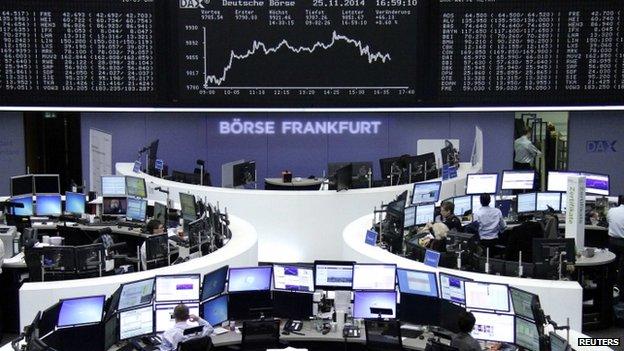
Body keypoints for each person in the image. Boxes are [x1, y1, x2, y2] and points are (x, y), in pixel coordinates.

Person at [607, 195, 624, 302]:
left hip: (612, 242)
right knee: (622, 267)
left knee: (613, 265)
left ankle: (611, 286)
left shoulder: (612, 210)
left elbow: (608, 221)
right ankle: (620, 287)